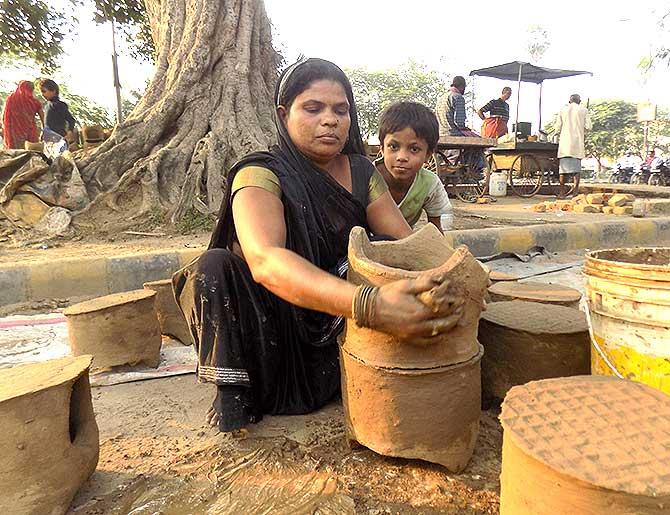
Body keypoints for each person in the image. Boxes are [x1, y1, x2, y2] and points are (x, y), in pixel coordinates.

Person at [172, 59, 464, 433]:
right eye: (313, 108)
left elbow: (405, 245)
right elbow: (265, 261)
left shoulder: (362, 171)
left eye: (341, 110)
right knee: (213, 267)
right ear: (284, 114)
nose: (331, 120)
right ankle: (234, 388)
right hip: (271, 331)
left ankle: (359, 370)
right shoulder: (259, 173)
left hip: (335, 330)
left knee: (379, 245)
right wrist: (371, 305)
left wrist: (458, 274)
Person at [374, 102, 452, 230]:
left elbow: (436, 231)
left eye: (414, 149)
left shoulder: (430, 184)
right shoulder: (366, 178)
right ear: (382, 148)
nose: (402, 157)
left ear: (428, 155)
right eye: (394, 147)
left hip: (404, 243)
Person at [554, 94, 591, 195]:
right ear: (579, 101)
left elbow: (557, 128)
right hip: (577, 143)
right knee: (576, 170)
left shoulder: (563, 110)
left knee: (562, 170)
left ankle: (562, 192)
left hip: (565, 144)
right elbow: (588, 127)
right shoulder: (584, 110)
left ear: (569, 101)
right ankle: (575, 192)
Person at [1, 80, 44, 150]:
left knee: (15, 156)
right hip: (30, 136)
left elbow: (3, 117)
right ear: (31, 90)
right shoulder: (34, 102)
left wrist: (5, 130)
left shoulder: (10, 99)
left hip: (13, 136)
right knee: (31, 155)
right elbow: (43, 119)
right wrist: (43, 132)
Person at [39, 79, 77, 143]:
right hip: (49, 139)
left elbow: (71, 120)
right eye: (41, 92)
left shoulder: (59, 105)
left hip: (58, 138)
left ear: (53, 91)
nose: (42, 94)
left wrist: (70, 131)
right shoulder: (47, 106)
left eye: (44, 91)